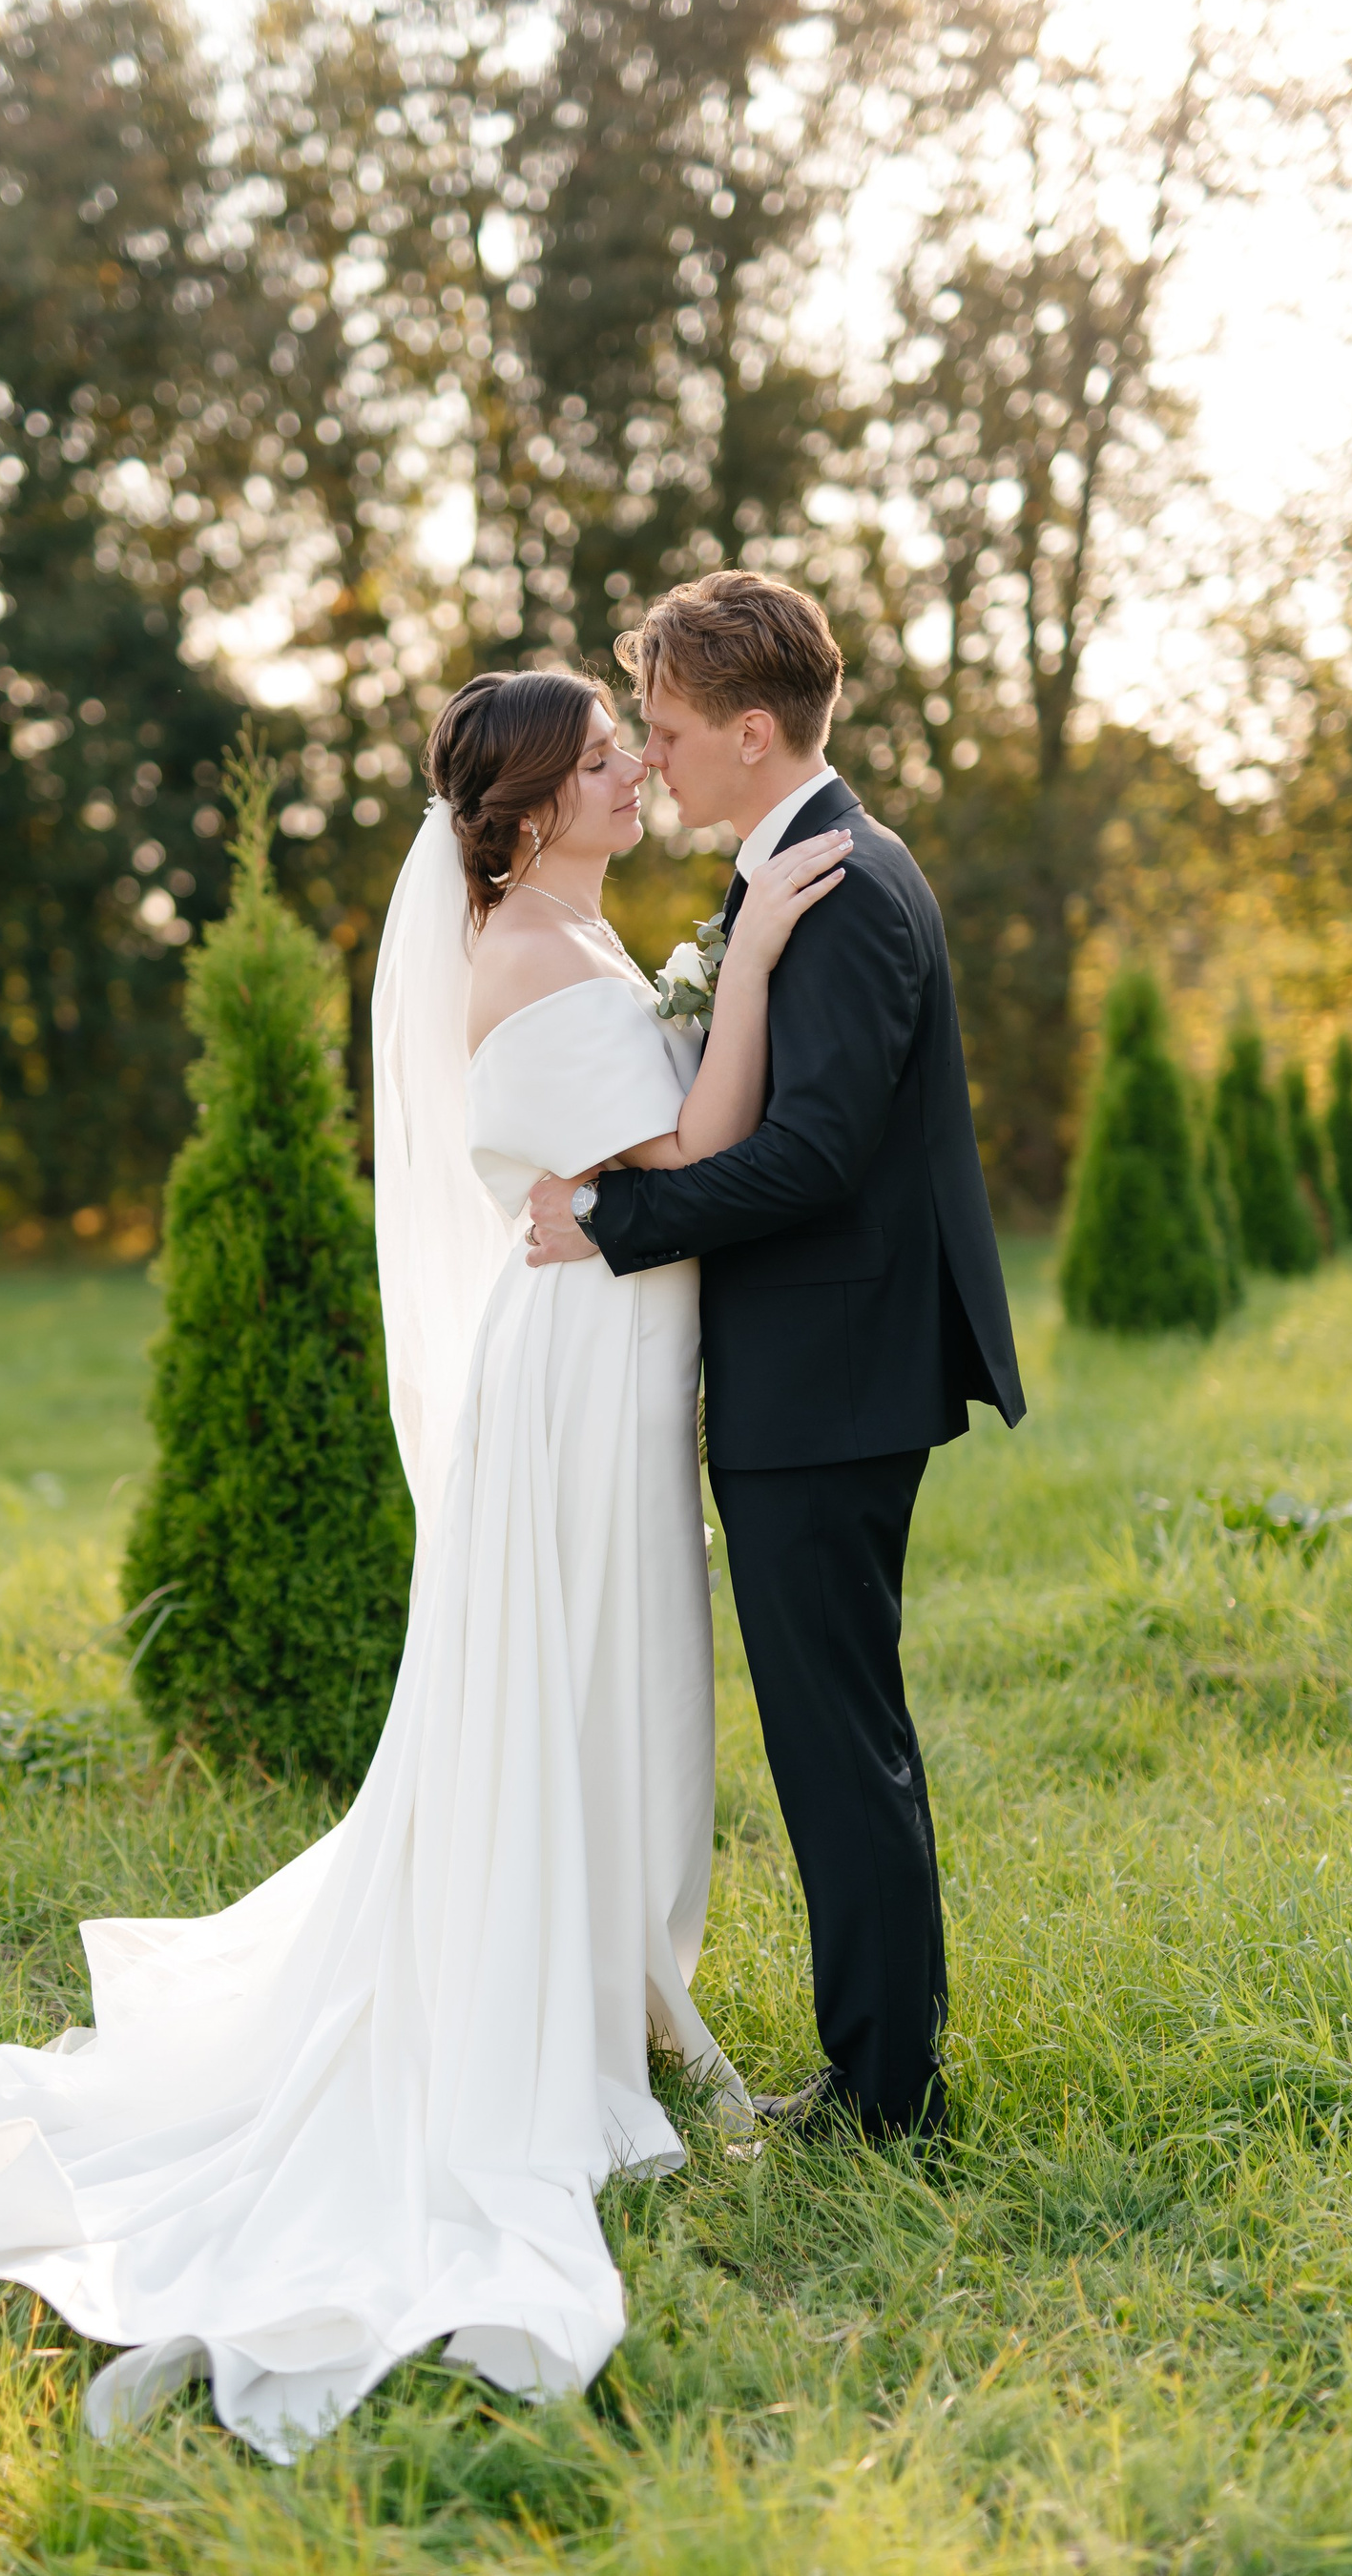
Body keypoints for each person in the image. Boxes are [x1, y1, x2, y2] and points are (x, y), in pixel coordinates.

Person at [0, 668, 848, 2460]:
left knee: (615, 1687)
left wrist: (718, 966)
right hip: (575, 1383)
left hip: (620, 1365)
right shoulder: (524, 957)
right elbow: (693, 1150)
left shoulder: (579, 937)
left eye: (630, 746)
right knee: (573, 1686)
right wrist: (757, 951)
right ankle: (549, 2012)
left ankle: (607, 1986)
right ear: (528, 810)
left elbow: (650, 1159)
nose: (635, 767)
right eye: (602, 759)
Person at [526, 571, 1025, 2145]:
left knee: (837, 1744)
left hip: (829, 1382)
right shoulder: (809, 865)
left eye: (667, 727)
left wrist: (611, 1219)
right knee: (836, 1736)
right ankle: (883, 2067)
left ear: (753, 731)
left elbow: (811, 1156)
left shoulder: (844, 887)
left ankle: (887, 2098)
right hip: (822, 1371)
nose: (651, 755)